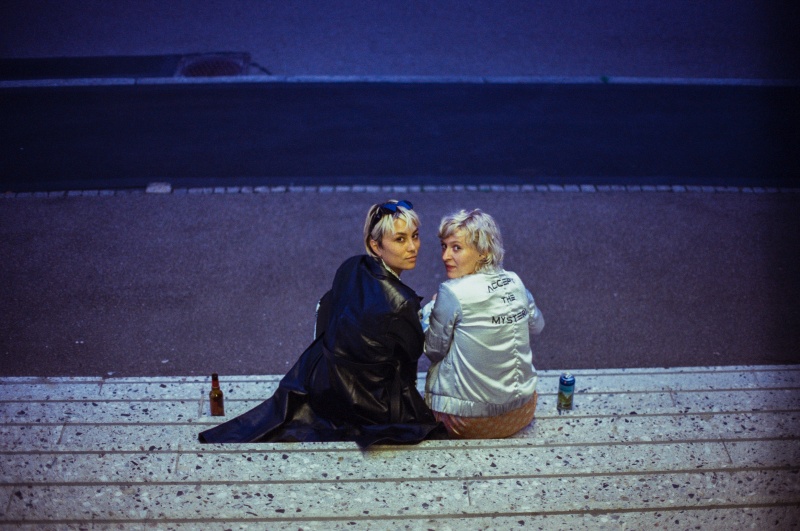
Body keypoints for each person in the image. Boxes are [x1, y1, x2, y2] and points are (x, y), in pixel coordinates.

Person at [199, 200, 445, 448]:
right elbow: (416, 351)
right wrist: (433, 311)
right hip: (371, 404)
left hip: (322, 382)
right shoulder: (402, 302)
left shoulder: (351, 266)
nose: (413, 247)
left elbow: (329, 312)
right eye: (400, 239)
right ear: (376, 245)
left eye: (415, 236)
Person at [421, 208, 544, 439]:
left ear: (484, 251)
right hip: (523, 411)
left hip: (468, 421)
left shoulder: (451, 292)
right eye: (444, 246)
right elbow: (537, 326)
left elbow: (433, 350)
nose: (445, 256)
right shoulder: (515, 281)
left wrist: (430, 309)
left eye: (456, 248)